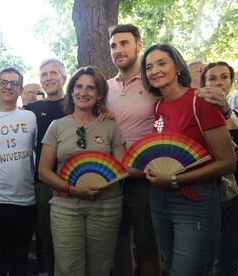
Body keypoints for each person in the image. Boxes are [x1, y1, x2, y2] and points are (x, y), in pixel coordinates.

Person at [140, 44, 236, 276]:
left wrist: (174, 178)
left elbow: (227, 162)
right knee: (173, 268)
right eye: (149, 67)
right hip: (159, 199)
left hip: (196, 201)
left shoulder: (201, 101)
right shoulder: (158, 106)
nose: (155, 70)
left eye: (162, 63)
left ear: (177, 67)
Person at [39, 66, 128, 276]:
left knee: (100, 269)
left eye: (91, 88)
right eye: (79, 86)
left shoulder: (110, 126)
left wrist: (150, 168)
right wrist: (71, 189)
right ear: (71, 91)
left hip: (106, 206)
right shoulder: (57, 126)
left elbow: (123, 167)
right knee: (68, 268)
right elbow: (44, 171)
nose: (83, 92)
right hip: (65, 206)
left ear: (99, 95)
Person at [107, 24, 161, 276]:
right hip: (112, 177)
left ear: (139, 45)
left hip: (145, 177)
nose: (118, 49)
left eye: (124, 43)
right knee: (118, 244)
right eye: (113, 45)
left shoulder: (155, 83)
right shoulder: (105, 87)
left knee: (148, 246)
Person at [0, 67, 37, 276]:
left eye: (14, 83)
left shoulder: (30, 117)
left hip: (25, 201)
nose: (8, 86)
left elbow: (37, 149)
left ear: (21, 89)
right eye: (4, 82)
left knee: (19, 261)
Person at [200, 62, 238, 276]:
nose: (219, 82)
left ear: (231, 81)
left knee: (231, 256)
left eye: (224, 76)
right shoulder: (199, 113)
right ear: (203, 83)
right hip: (215, 192)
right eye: (212, 78)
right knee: (210, 257)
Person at [24, 58, 67, 276]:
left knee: (69, 236)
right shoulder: (33, 109)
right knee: (45, 234)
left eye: (54, 73)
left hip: (73, 180)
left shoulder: (76, 103)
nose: (49, 78)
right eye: (44, 74)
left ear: (64, 78)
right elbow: (4, 111)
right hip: (42, 181)